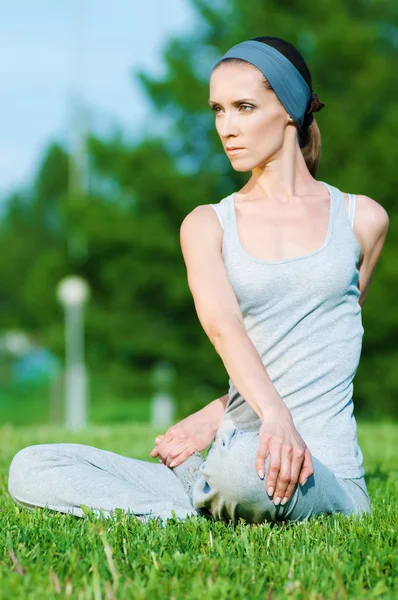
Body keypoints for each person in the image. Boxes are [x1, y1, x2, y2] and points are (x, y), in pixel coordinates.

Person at [8, 36, 389, 526]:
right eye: (218, 111)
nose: (226, 128)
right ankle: (183, 511)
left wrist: (243, 418)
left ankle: (207, 496)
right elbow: (223, 325)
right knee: (32, 466)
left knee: (236, 470)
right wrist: (248, 414)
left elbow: (320, 348)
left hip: (320, 473)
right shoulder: (207, 223)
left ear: (290, 109)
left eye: (244, 107)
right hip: (237, 454)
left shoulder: (362, 220)